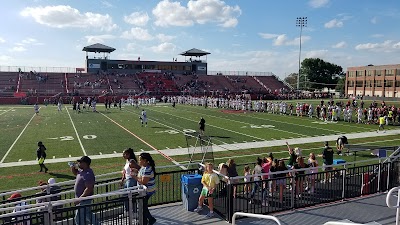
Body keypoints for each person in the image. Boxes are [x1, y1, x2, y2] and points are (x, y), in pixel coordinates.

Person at [70, 156, 99, 225]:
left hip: (84, 200)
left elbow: (89, 188)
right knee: (88, 215)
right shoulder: (82, 171)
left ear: (85, 163)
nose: (78, 163)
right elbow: (75, 173)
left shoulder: (88, 174)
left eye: (80, 162)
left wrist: (80, 199)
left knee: (79, 218)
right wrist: (72, 167)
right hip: (83, 199)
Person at [131, 153, 157, 225]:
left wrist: (134, 177)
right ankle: (147, 220)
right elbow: (141, 174)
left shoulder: (147, 169)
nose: (139, 161)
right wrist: (136, 171)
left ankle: (147, 221)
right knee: (143, 207)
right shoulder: (144, 167)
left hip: (147, 191)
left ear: (145, 160)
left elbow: (143, 181)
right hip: (144, 191)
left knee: (142, 207)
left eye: (140, 160)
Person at [121, 148, 140, 212]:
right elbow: (124, 172)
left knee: (130, 196)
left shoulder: (132, 162)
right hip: (128, 180)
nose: (123, 155)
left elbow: (139, 168)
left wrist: (135, 173)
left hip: (131, 180)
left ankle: (133, 211)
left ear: (129, 154)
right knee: (126, 196)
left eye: (124, 154)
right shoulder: (127, 161)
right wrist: (122, 180)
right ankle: (128, 210)